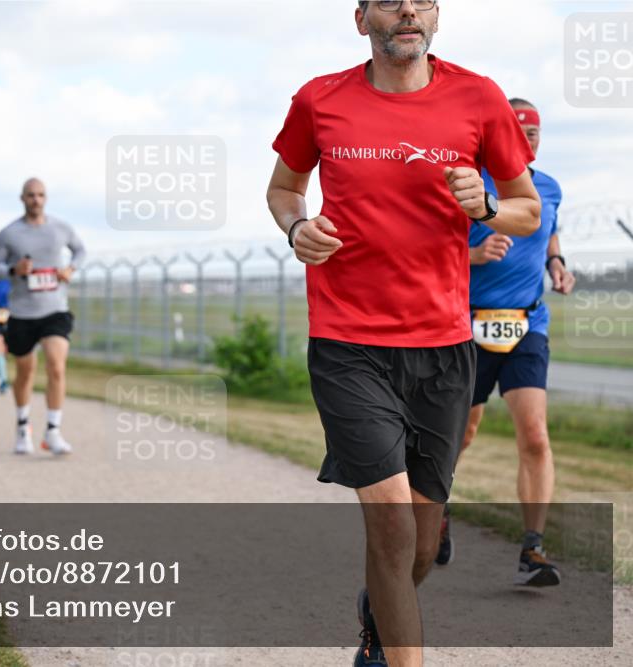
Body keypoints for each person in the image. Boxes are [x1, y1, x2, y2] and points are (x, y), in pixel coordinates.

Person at [266, 1, 542, 664]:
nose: (407, 9)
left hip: (444, 348)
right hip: (347, 341)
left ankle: (379, 617)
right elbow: (283, 188)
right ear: (362, 19)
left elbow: (527, 208)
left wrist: (488, 206)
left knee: (417, 547)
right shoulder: (318, 100)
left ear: (437, 18)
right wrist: (296, 227)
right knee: (389, 524)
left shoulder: (478, 98)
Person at [437, 99, 575, 587]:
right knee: (461, 435)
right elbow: (429, 249)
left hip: (527, 325)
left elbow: (549, 233)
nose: (528, 140)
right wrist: (473, 254)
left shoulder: (549, 188)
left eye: (534, 132)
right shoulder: (471, 183)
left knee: (535, 436)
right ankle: (437, 514)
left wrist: (556, 265)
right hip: (467, 326)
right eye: (519, 132)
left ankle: (533, 548)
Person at [0, 178, 86, 455]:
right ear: (22, 198)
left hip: (54, 308)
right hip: (21, 312)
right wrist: (13, 270)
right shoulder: (9, 233)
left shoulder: (60, 228)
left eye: (41, 195)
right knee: (25, 371)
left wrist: (71, 269)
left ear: (46, 198)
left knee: (56, 365)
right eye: (31, 195)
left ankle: (53, 431)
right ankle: (22, 426)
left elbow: (81, 250)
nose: (36, 200)